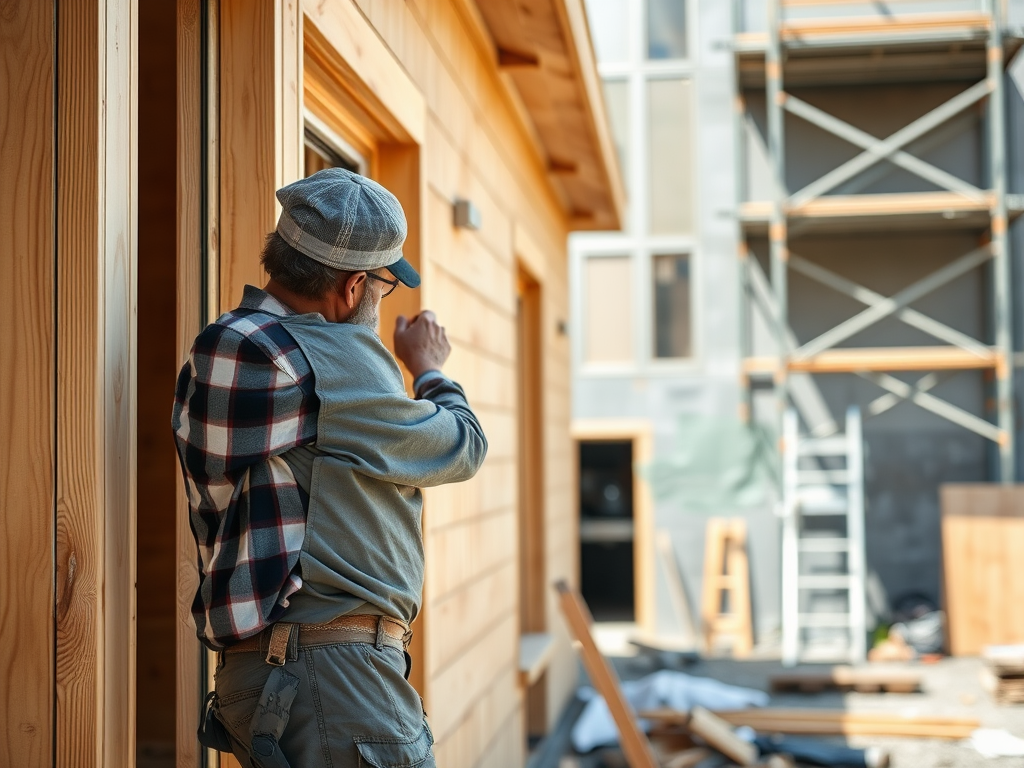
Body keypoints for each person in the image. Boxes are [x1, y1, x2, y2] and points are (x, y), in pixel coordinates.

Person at [172, 168, 487, 768]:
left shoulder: (225, 343)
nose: (375, 301)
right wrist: (428, 370)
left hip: (266, 672)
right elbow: (462, 445)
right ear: (350, 287)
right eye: (381, 286)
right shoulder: (330, 361)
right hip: (332, 674)